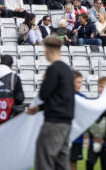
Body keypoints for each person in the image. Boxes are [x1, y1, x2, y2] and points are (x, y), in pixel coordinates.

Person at [27, 36, 75, 170]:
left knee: (44, 158)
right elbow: (60, 98)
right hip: (66, 121)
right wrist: (39, 108)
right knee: (61, 161)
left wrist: (45, 80)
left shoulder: (53, 69)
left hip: (54, 122)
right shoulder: (67, 70)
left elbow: (44, 94)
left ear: (47, 50)